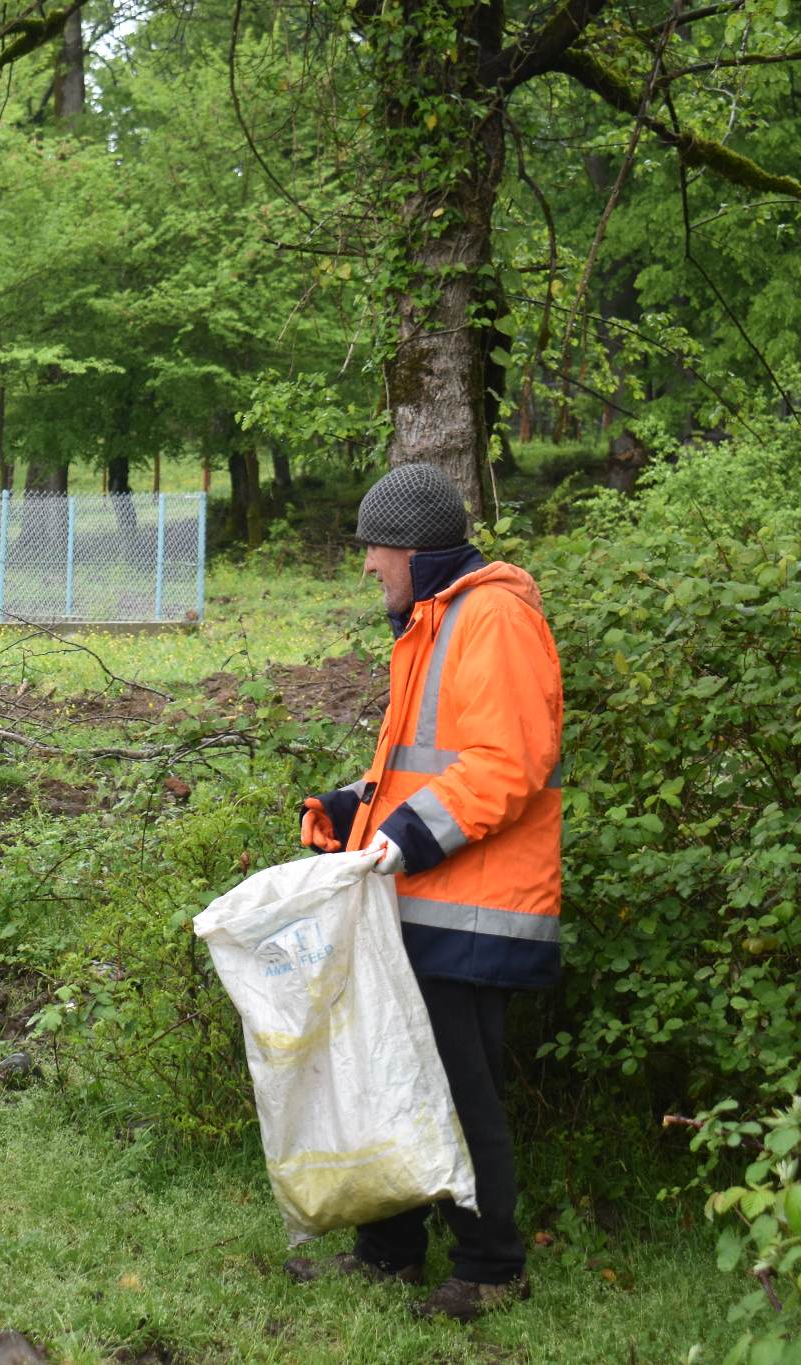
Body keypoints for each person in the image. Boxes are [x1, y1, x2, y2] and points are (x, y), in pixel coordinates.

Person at [287, 463, 563, 1322]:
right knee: (399, 1078)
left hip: (473, 908)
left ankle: (490, 1264)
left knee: (454, 1090)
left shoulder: (493, 617)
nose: (367, 564)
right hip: (425, 899)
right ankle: (390, 1253)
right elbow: (425, 765)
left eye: (375, 547)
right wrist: (353, 809)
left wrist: (400, 838)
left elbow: (507, 763)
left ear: (412, 549)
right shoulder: (435, 620)